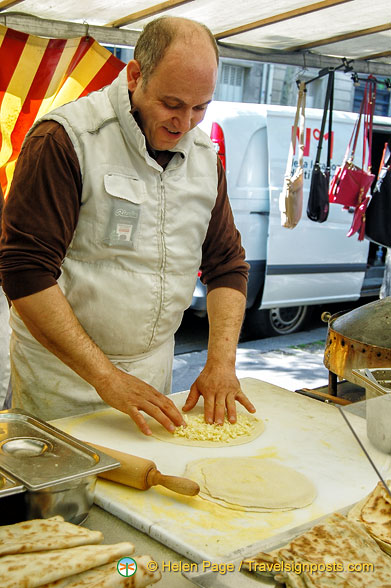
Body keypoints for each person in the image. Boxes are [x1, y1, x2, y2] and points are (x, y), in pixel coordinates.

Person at [0, 16, 255, 434]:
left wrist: (221, 363)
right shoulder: (67, 140)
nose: (184, 123)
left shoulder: (206, 159)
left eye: (200, 107)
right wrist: (107, 378)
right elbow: (24, 272)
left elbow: (227, 265)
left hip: (152, 384)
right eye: (171, 104)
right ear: (135, 75)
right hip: (62, 385)